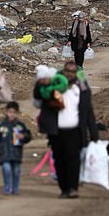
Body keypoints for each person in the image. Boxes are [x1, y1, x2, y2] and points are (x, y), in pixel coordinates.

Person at [33, 60, 99, 199]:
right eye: (67, 71)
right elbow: (38, 96)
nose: (69, 74)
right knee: (59, 159)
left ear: (76, 74)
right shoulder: (54, 84)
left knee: (73, 158)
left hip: (74, 131)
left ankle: (73, 188)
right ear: (63, 71)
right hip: (56, 131)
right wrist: (40, 84)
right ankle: (64, 189)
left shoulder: (81, 88)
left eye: (72, 72)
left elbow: (88, 111)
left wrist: (93, 133)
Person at [0, 102, 31, 195]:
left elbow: (28, 136)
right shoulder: (2, 125)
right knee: (6, 169)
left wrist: (23, 136)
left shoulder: (20, 125)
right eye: (10, 112)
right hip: (5, 153)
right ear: (6, 112)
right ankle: (7, 187)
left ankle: (15, 188)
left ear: (17, 113)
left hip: (16, 153)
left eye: (14, 112)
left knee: (16, 170)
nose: (12, 114)